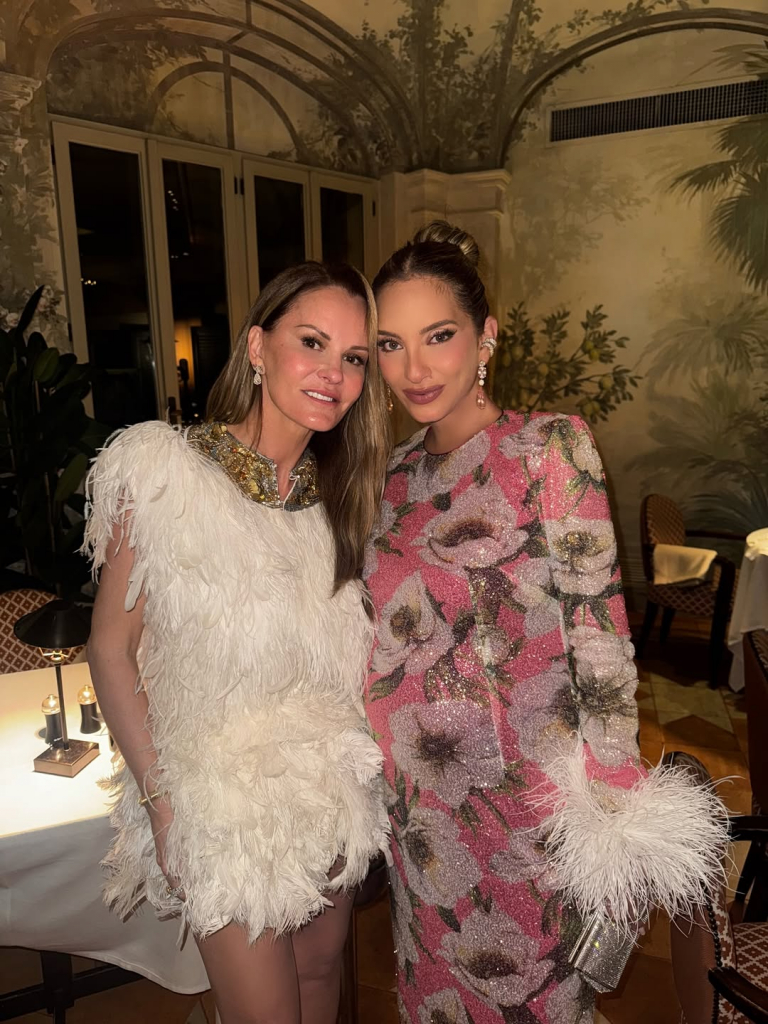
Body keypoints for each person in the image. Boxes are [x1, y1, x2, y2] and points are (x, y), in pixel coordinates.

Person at [363, 222, 726, 1024]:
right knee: (435, 1002)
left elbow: (599, 630)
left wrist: (613, 791)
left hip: (530, 812)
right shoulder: (391, 476)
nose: (414, 368)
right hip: (418, 813)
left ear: (485, 337)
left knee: (536, 1004)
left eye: (439, 336)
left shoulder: (548, 447)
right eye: (390, 344)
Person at [83, 261, 391, 1024]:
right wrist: (162, 806)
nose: (334, 373)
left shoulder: (342, 504)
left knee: (320, 979)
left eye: (354, 357)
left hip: (327, 787)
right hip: (213, 801)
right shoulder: (165, 473)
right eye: (312, 342)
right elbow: (111, 649)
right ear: (257, 346)